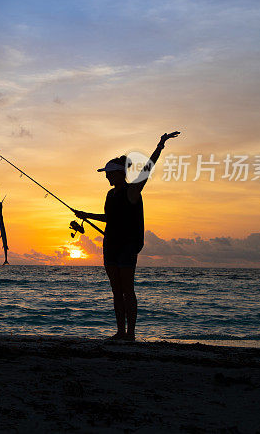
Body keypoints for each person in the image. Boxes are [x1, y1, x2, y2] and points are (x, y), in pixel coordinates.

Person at [73, 131, 180, 341]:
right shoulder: (110, 194)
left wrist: (160, 145)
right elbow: (110, 218)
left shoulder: (133, 191)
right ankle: (120, 332)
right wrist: (86, 215)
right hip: (110, 244)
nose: (105, 176)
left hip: (127, 247)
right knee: (116, 291)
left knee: (127, 290)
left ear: (118, 174)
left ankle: (130, 333)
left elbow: (148, 169)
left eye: (108, 173)